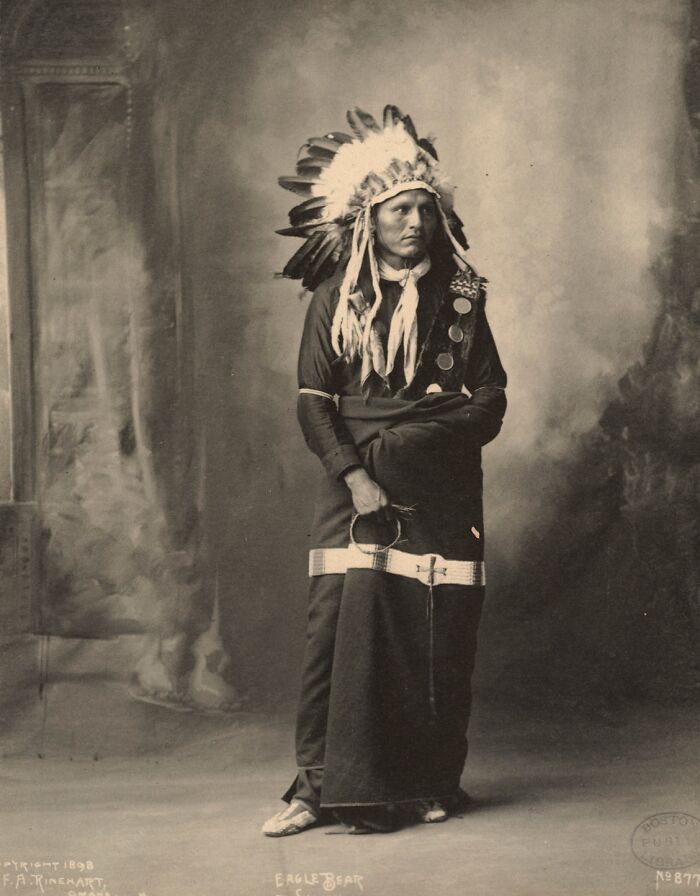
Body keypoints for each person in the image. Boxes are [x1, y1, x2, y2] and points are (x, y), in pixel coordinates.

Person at [262, 105, 507, 836]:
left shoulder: (462, 298)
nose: (414, 223)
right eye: (400, 210)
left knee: (432, 631)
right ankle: (314, 790)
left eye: (424, 210)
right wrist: (355, 474)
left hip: (437, 481)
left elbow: (491, 397)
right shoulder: (335, 300)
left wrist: (422, 439)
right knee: (334, 632)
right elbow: (313, 404)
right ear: (368, 219)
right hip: (354, 483)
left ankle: (430, 781)